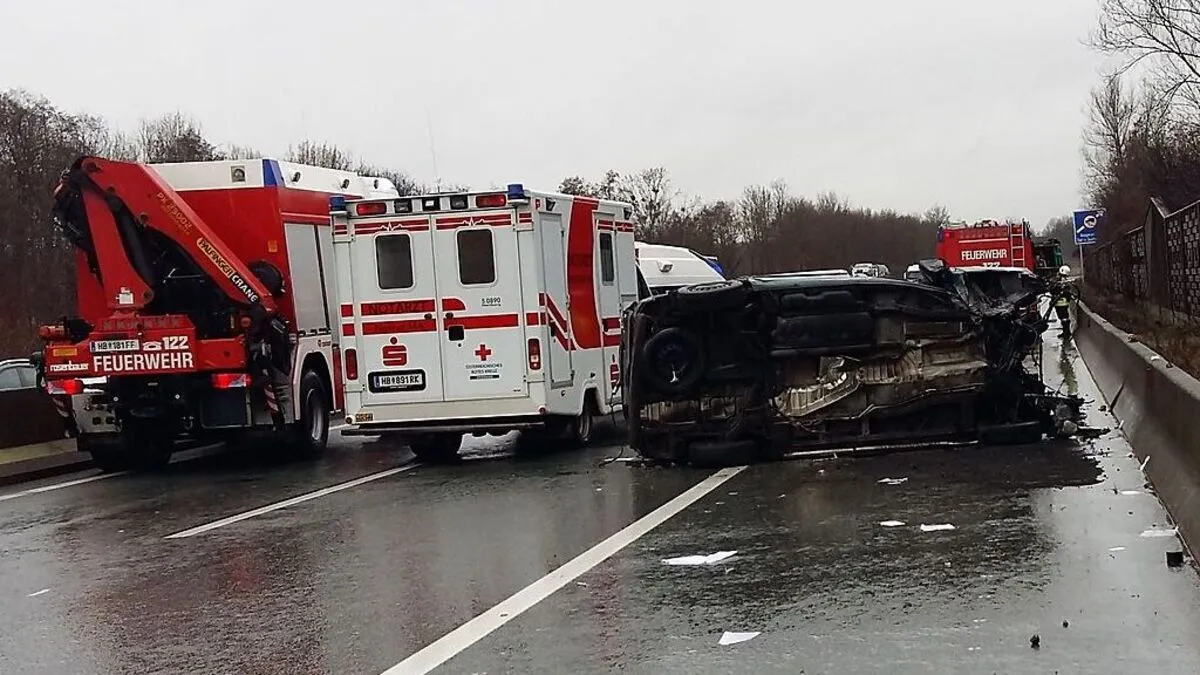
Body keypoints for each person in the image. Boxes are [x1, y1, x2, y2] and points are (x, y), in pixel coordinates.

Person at [1052, 265, 1074, 338]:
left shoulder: (1062, 282)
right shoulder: (1063, 281)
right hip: (1061, 303)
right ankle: (1066, 332)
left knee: (1064, 318)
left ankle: (1067, 333)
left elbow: (1054, 290)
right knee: (1063, 318)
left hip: (1061, 303)